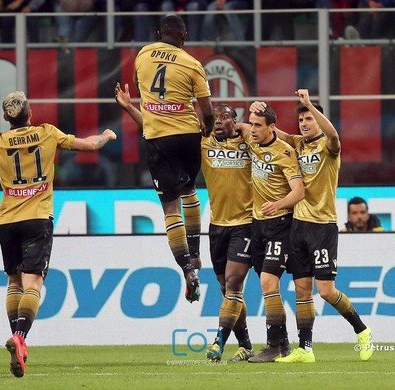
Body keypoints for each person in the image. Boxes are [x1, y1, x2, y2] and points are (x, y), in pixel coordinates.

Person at [0, 91, 116, 377]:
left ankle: (18, 340)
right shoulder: (47, 133)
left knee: (14, 283)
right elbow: (90, 145)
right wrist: (106, 135)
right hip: (37, 218)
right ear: (30, 113)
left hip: (6, 221)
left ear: (6, 117)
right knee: (33, 284)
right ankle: (20, 337)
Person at [116, 84, 254, 361]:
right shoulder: (204, 143)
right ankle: (247, 344)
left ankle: (218, 343)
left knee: (234, 282)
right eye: (212, 118)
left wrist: (248, 130)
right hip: (217, 225)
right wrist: (130, 108)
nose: (215, 122)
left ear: (234, 120)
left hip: (247, 222)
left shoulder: (248, 143)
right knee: (227, 289)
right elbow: (158, 130)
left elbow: (271, 137)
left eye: (222, 117)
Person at [253, 89, 373, 364]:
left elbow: (334, 135)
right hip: (298, 225)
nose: (305, 123)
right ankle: (305, 349)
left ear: (318, 120)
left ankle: (362, 330)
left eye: (309, 118)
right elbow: (272, 132)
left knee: (326, 291)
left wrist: (310, 104)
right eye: (302, 119)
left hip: (323, 226)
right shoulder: (298, 144)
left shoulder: (329, 147)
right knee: (303, 289)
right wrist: (258, 108)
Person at [133, 14, 214, 303]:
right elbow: (207, 110)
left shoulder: (143, 55)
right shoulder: (192, 64)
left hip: (158, 138)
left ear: (158, 33)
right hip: (188, 135)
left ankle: (186, 269)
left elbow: (143, 90)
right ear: (185, 36)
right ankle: (195, 253)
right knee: (190, 191)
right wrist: (208, 129)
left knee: (170, 208)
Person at [234, 104, 305, 363]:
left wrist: (279, 203)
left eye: (258, 125)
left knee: (267, 282)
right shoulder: (252, 139)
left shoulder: (284, 152)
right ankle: (284, 343)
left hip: (280, 224)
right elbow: (237, 126)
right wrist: (254, 104)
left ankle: (273, 346)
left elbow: (299, 190)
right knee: (268, 286)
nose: (252, 129)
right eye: (251, 124)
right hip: (257, 225)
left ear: (272, 127)